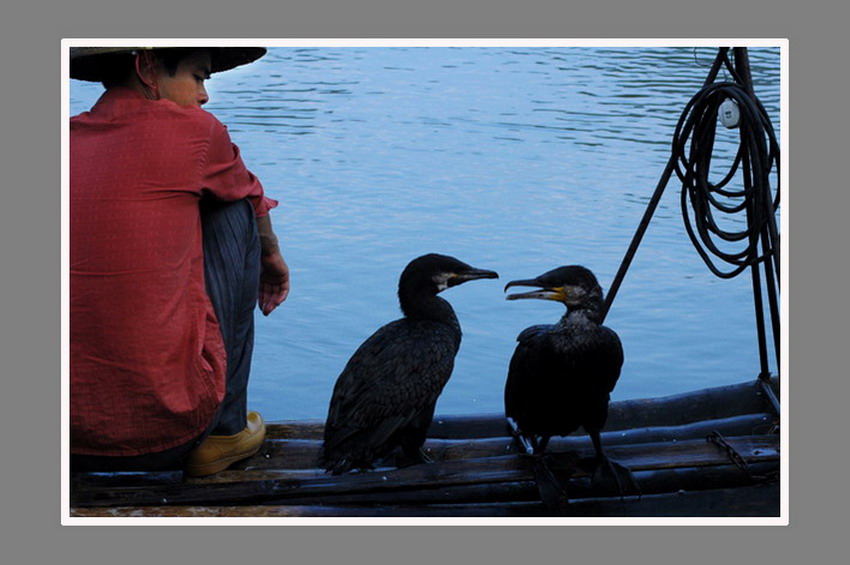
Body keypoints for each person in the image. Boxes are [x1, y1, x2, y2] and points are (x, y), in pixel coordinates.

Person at [69, 47, 290, 477]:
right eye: (198, 76)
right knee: (234, 208)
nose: (205, 95)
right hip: (165, 433)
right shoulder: (196, 132)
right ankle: (224, 431)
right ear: (147, 67)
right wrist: (271, 255)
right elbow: (247, 189)